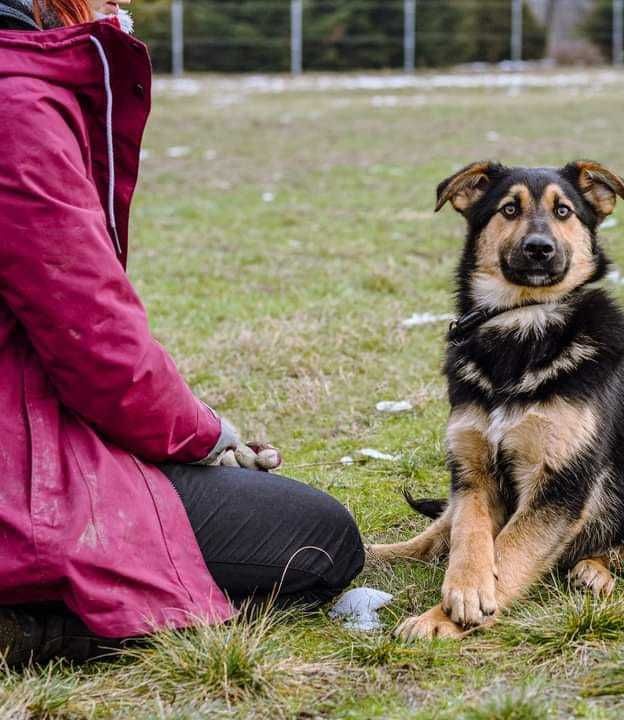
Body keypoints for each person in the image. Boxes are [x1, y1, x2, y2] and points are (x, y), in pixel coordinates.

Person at [0, 0, 365, 667]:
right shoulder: (13, 107)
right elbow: (96, 346)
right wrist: (204, 436)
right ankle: (42, 623)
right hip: (18, 487)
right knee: (323, 540)